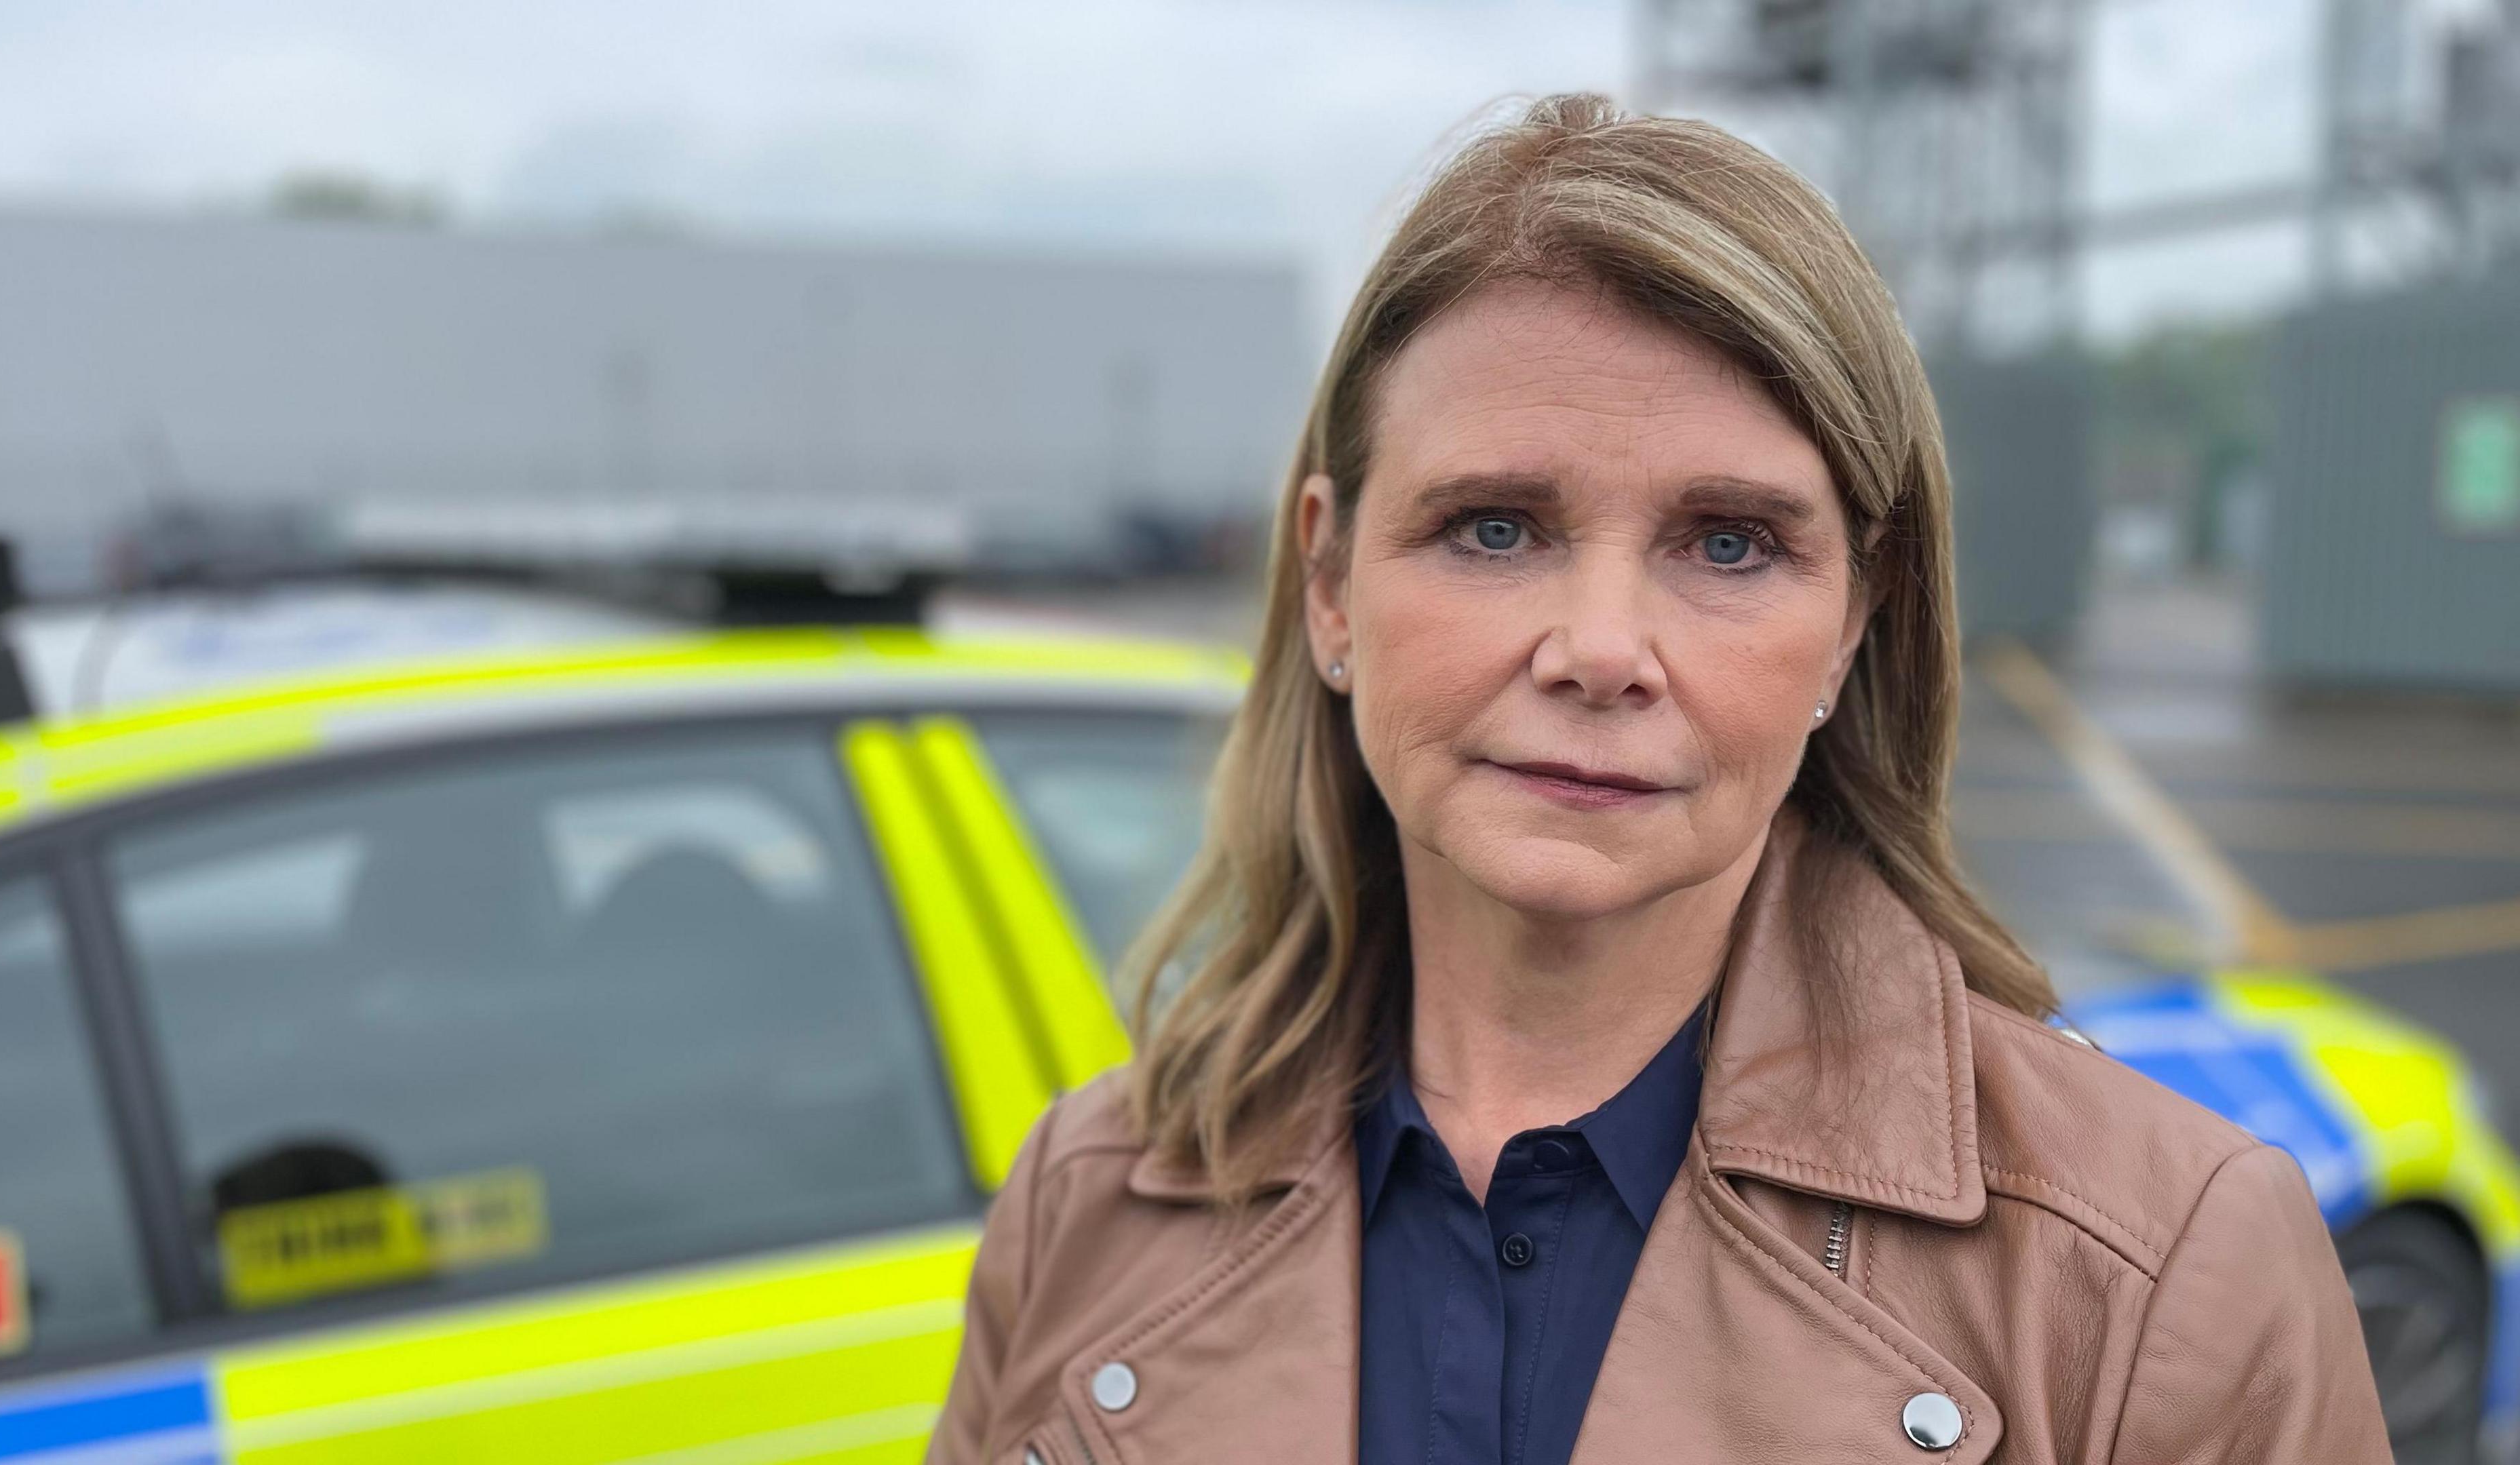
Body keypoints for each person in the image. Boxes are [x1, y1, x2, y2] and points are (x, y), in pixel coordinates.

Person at [927, 94, 2387, 1465]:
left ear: (1856, 624)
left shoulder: (2161, 1265)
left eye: (1731, 543)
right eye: (1495, 528)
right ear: (1328, 580)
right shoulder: (1087, 1195)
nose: (1602, 650)